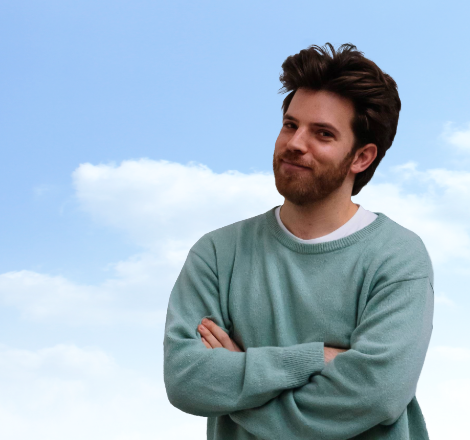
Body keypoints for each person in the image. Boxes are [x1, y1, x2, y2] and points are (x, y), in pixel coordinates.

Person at [163, 43, 434, 440]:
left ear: (361, 157)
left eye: (322, 133)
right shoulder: (218, 253)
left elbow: (377, 395)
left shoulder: (397, 257)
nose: (295, 143)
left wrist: (239, 384)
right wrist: (313, 358)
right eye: (290, 125)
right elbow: (187, 380)